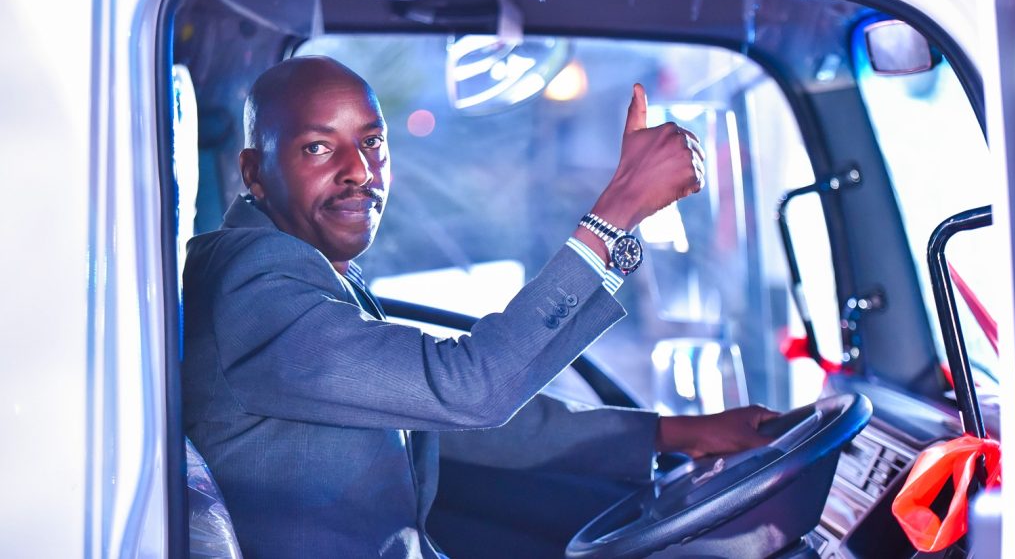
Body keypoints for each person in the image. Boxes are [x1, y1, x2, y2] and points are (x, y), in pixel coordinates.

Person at [182, 55, 776, 558]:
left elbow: (436, 418)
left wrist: (672, 432)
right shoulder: (253, 286)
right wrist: (617, 210)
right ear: (254, 173)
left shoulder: (303, 270)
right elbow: (469, 389)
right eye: (318, 147)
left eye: (371, 143)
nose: (361, 172)